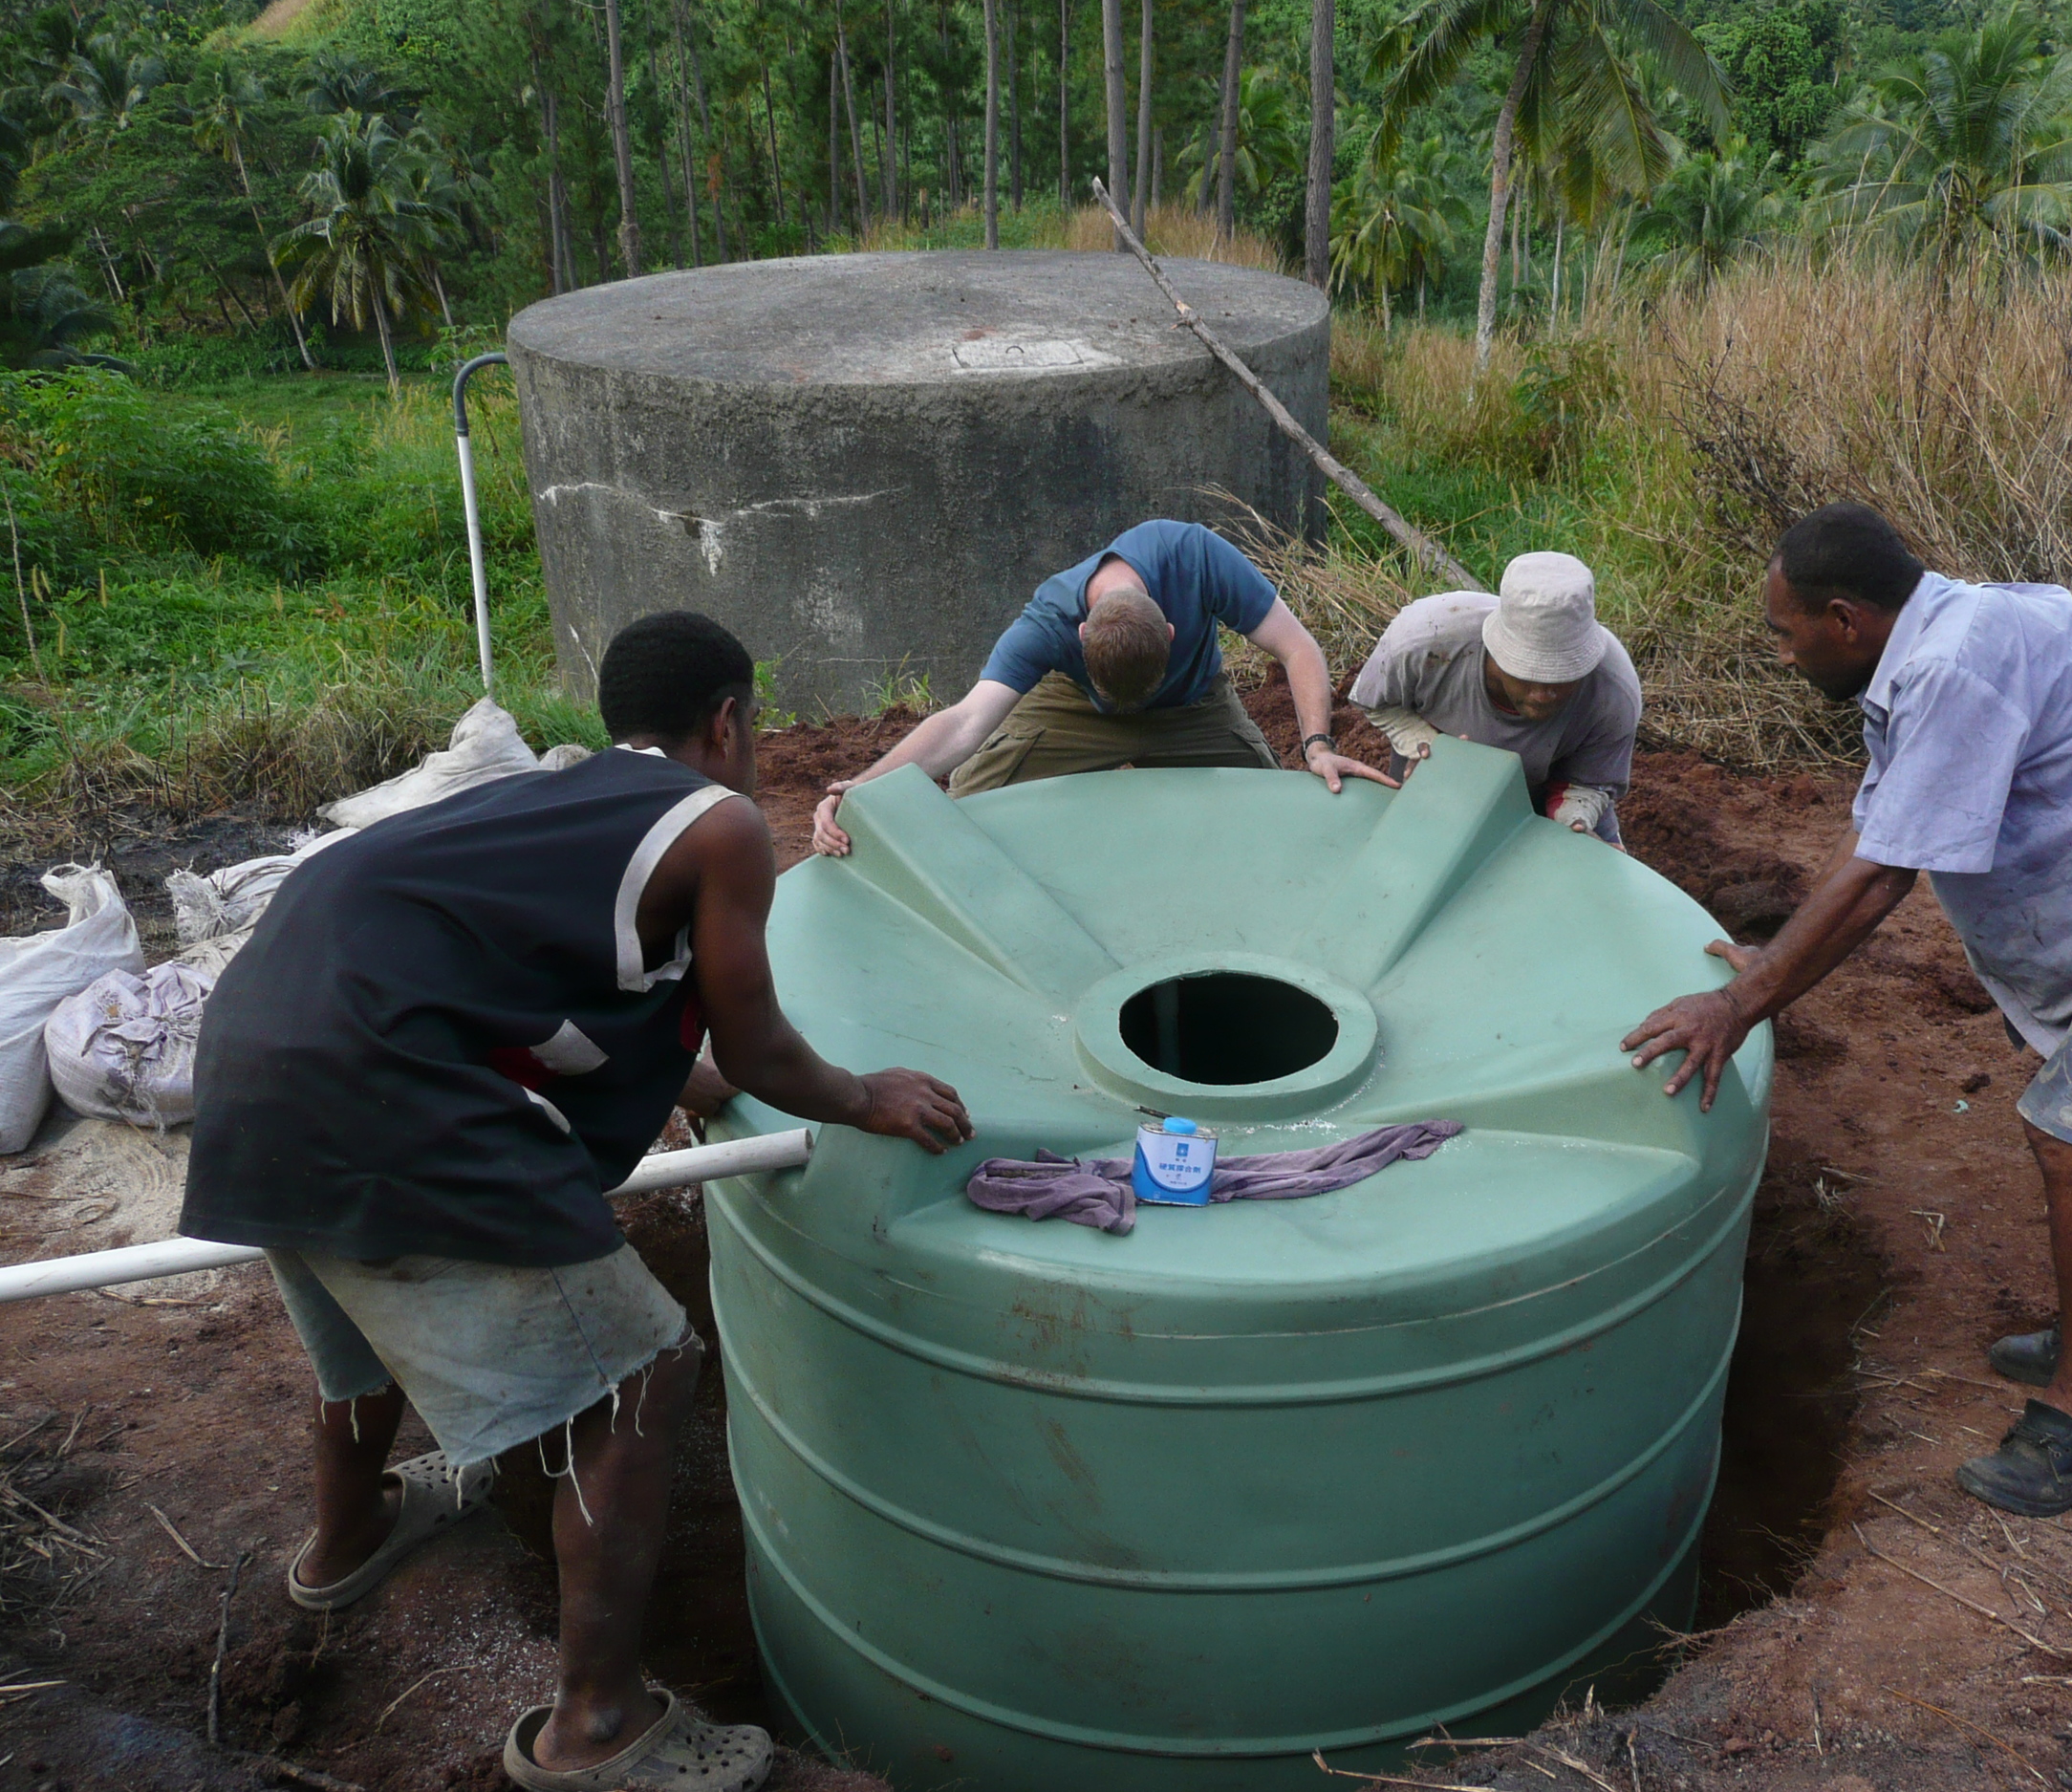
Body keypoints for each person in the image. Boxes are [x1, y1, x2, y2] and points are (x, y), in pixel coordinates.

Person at [180, 612, 973, 1792]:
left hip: (255, 1059)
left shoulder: (554, 803)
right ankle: (596, 1726)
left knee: (360, 1322)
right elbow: (758, 1045)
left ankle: (346, 1543)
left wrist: (688, 1084)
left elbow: (544, 995)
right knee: (642, 1373)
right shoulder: (719, 825)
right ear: (730, 718)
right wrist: (865, 1097)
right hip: (380, 1088)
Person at [1622, 503, 2072, 1519]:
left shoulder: (1954, 668)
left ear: (1844, 618)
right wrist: (1779, 957)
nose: (1781, 655)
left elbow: (1886, 876)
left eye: (1782, 631)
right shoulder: (1943, 641)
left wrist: (1741, 1001)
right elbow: (1890, 830)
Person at [810, 517, 1394, 854]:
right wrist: (857, 788)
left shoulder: (1196, 557)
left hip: (1191, 704)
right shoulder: (1046, 621)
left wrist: (1317, 745)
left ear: (1172, 630)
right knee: (968, 807)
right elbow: (965, 721)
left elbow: (1298, 647)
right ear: (1080, 634)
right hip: (1077, 711)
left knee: (1281, 817)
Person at [1350, 551, 1640, 845]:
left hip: (1548, 797)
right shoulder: (1424, 643)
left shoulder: (1612, 689)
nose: (1542, 695)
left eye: (1561, 678)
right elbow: (1378, 702)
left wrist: (1571, 829)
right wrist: (1432, 750)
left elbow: (1587, 782)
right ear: (1497, 650)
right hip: (1434, 781)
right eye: (1526, 674)